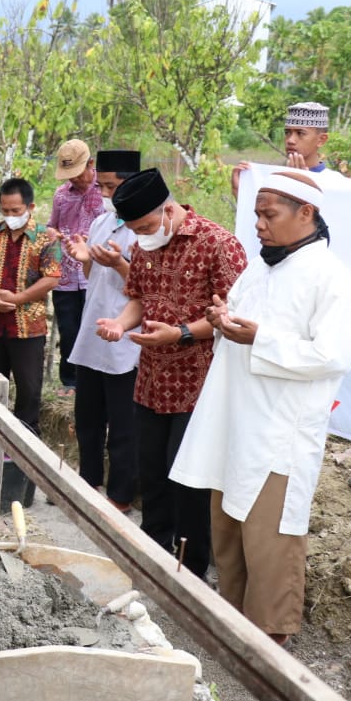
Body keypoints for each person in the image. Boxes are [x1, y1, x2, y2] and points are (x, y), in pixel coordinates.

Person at [170, 171, 351, 643]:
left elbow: (334, 355)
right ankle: (233, 629)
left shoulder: (331, 278)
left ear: (306, 214)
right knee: (229, 529)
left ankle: (270, 644)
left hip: (280, 432)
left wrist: (260, 337)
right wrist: (221, 319)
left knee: (269, 540)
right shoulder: (263, 267)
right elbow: (240, 321)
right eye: (256, 214)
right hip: (235, 421)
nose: (258, 224)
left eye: (268, 214)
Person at [96, 168, 247, 579]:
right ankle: (151, 560)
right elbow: (138, 299)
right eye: (133, 229)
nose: (140, 235)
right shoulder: (145, 245)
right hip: (151, 381)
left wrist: (180, 334)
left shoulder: (219, 244)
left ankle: (191, 572)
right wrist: (120, 325)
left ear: (167, 209)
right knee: (154, 476)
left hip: (200, 386)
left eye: (144, 226)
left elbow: (232, 317)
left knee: (189, 483)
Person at [63, 150, 141, 512]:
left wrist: (120, 264)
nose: (108, 193)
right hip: (93, 333)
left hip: (125, 341)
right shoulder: (101, 223)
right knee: (88, 418)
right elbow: (96, 279)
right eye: (104, 186)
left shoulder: (146, 230)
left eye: (113, 186)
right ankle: (88, 480)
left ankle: (121, 495)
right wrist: (86, 260)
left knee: (124, 427)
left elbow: (146, 289)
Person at [0, 177, 62, 437]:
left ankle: (26, 442)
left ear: (30, 207)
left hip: (28, 328)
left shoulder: (46, 237)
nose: (10, 216)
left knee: (29, 389)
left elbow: (52, 277)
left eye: (16, 211)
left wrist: (18, 299)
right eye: (5, 210)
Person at [47, 139, 104, 394]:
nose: (76, 180)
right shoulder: (61, 195)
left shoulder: (105, 192)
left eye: (79, 174)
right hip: (67, 276)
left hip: (97, 273)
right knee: (69, 330)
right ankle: (70, 381)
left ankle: (94, 383)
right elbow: (53, 225)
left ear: (91, 165)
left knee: (95, 328)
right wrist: (52, 234)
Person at [232, 102, 329, 197]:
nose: (290, 140)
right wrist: (241, 195)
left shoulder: (334, 184)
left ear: (321, 140)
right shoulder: (271, 181)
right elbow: (262, 213)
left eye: (300, 133)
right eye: (287, 132)